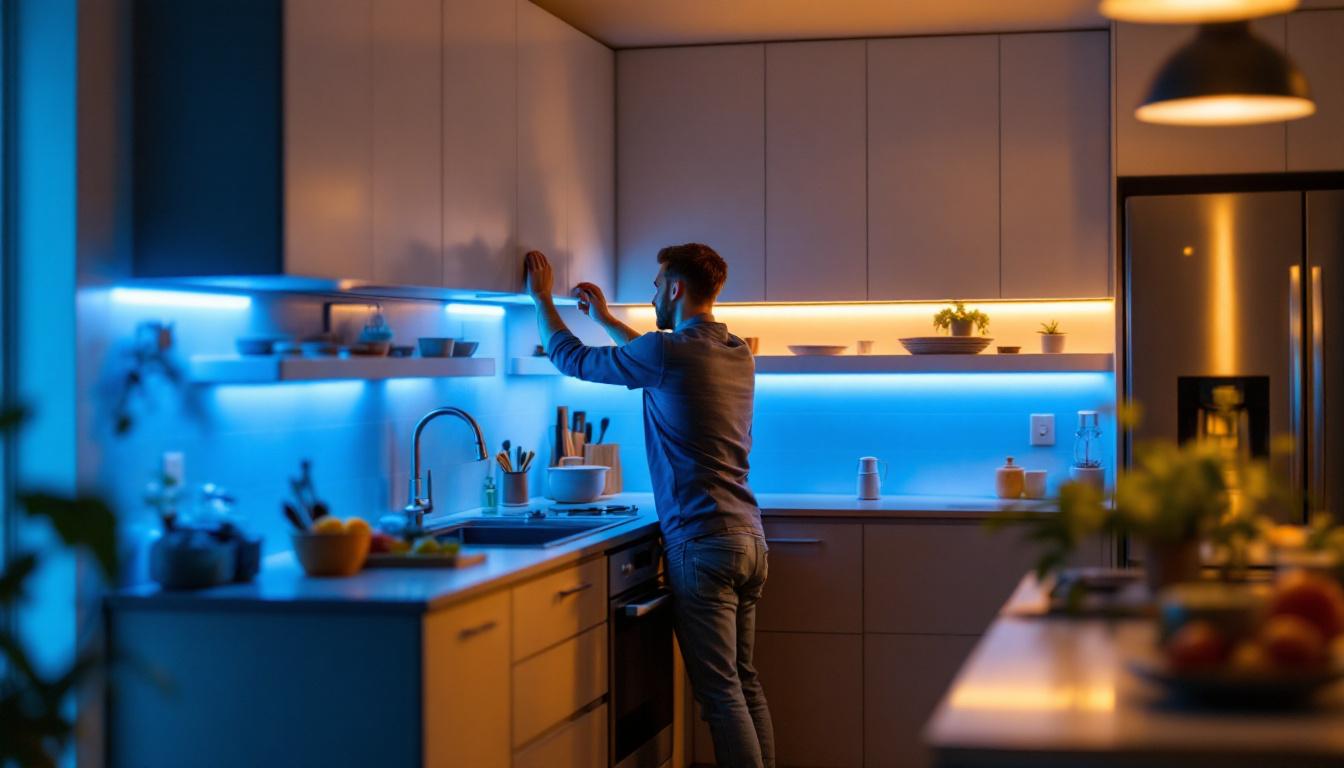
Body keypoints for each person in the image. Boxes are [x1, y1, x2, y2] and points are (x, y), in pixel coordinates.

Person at [524, 245, 774, 768]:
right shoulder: (735, 351)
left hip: (701, 542)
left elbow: (571, 358)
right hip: (748, 539)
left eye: (658, 284)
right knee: (743, 684)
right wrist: (608, 320)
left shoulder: (666, 353)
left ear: (676, 289)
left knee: (721, 694)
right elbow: (653, 362)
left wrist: (543, 300)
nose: (653, 293)